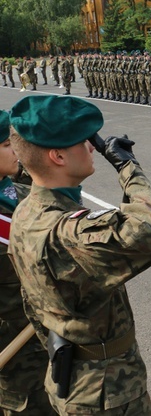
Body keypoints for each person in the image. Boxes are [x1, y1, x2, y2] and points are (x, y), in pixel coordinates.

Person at [8, 95, 151, 415]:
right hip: (105, 392)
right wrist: (127, 167)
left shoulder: (26, 209)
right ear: (57, 156)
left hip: (71, 374)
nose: (90, 147)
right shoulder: (67, 232)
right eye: (82, 141)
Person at [0, 110, 52, 415]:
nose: (16, 150)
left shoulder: (17, 194)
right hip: (11, 355)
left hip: (40, 339)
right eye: (7, 145)